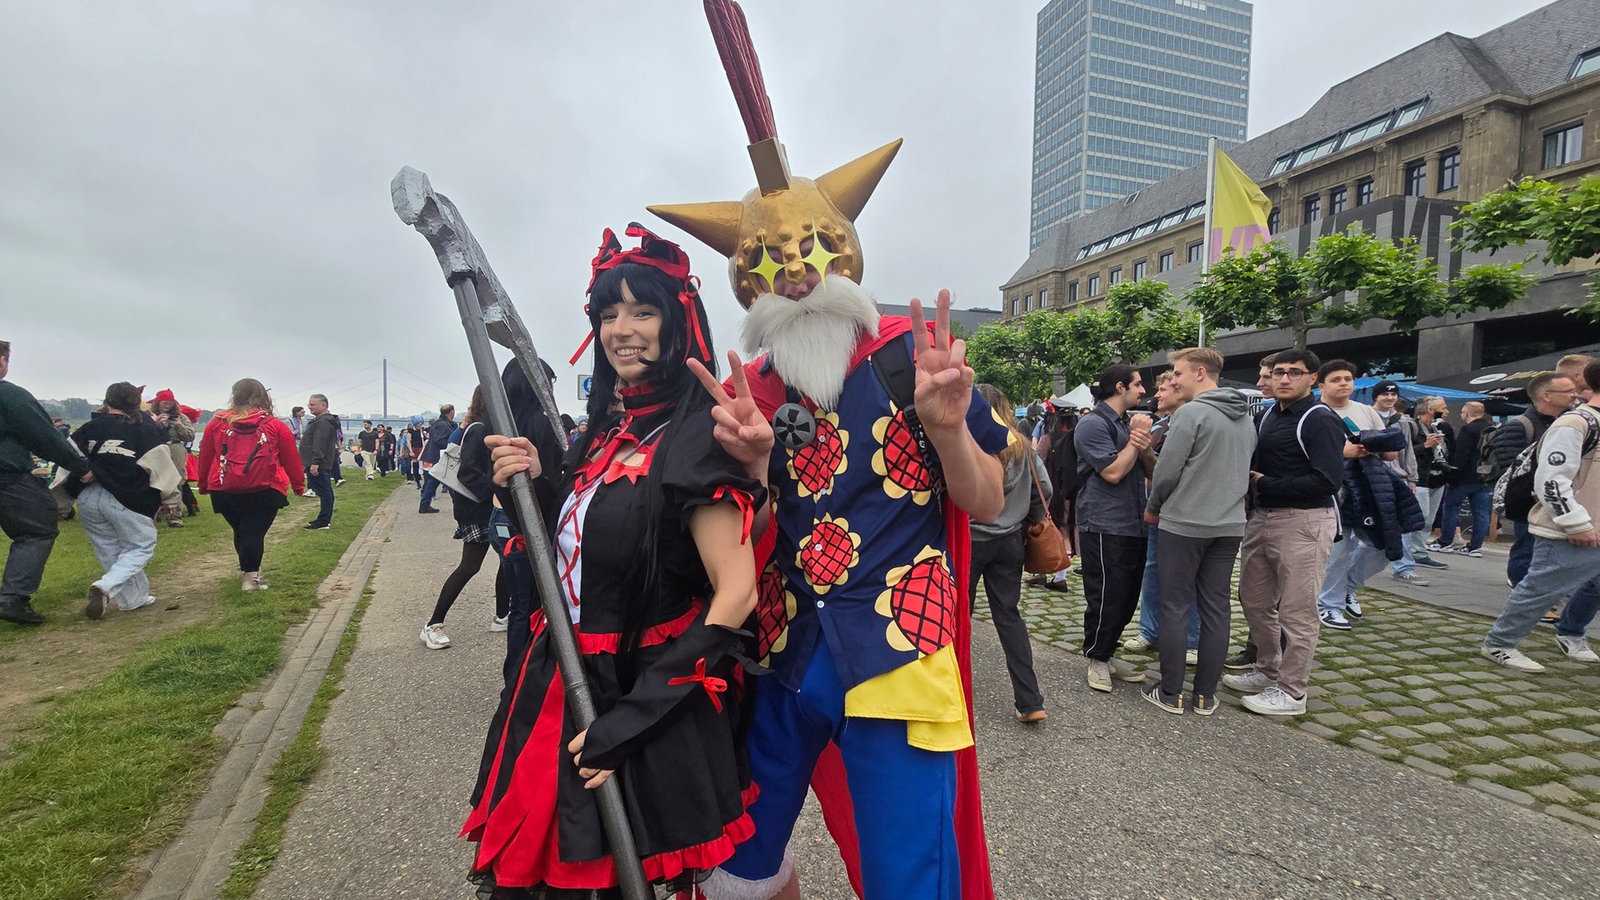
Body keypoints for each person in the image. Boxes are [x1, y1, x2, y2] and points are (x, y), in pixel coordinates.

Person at [465, 225, 762, 897]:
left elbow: (735, 593)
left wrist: (633, 722)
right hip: (557, 689)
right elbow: (582, 555)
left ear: (679, 320)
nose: (622, 329)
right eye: (608, 313)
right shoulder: (606, 431)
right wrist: (536, 485)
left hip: (640, 699)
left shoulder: (701, 438)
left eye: (642, 310)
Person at [1224, 349, 1345, 716]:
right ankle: (1267, 669)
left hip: (1303, 522)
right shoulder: (1267, 415)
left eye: (1294, 372)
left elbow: (1326, 481)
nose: (1284, 379)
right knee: (1255, 600)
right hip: (1263, 517)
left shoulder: (1319, 418)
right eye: (1278, 372)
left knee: (1297, 611)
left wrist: (1267, 484)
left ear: (1312, 378)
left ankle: (1293, 692)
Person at [1140, 348, 1254, 716]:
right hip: (1229, 524)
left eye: (1177, 373)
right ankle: (1206, 693)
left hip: (1185, 522)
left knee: (1175, 604)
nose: (1173, 380)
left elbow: (1167, 471)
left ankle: (1170, 691)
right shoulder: (1245, 416)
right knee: (1216, 607)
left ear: (1200, 373)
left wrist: (1155, 506)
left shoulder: (1192, 413)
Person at [1480, 358, 1600, 671]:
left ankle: (1571, 632)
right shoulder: (1576, 423)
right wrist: (1575, 523)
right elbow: (1551, 479)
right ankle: (1500, 643)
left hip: (1593, 525)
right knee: (1541, 589)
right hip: (1568, 528)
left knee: (1594, 586)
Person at [969, 384, 1050, 724]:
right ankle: (1030, 700)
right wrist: (1028, 514)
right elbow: (1044, 489)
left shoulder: (968, 445)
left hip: (970, 541)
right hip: (1010, 541)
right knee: (1009, 616)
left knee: (958, 617)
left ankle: (954, 694)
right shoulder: (1022, 448)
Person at [70, 382, 184, 618]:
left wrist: (62, 499)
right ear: (136, 403)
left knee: (108, 548)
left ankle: (133, 598)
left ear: (107, 401)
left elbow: (66, 455)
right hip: (127, 495)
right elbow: (162, 469)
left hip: (89, 496)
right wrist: (171, 501)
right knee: (141, 545)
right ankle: (106, 586)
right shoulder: (145, 430)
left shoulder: (89, 427)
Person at [1073, 364, 1153, 694]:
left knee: (1126, 596)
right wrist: (1135, 440)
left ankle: (1107, 652)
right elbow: (1113, 473)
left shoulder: (1122, 423)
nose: (1144, 391)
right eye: (1137, 385)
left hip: (1133, 522)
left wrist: (1143, 445)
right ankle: (1097, 656)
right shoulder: (1092, 424)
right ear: (1120, 387)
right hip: (1104, 522)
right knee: (1105, 594)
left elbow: (1152, 470)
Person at [0, 340, 91, 625]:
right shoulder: (9, 396)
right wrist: (79, 466)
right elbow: (43, 436)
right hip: (7, 476)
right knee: (36, 529)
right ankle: (13, 598)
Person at [1315, 361, 1408, 631]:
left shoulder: (1366, 412)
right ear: (1322, 385)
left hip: (1369, 487)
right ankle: (1328, 604)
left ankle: (1346, 588)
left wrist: (1376, 445)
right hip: (1335, 490)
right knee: (1339, 549)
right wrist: (1342, 452)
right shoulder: (1315, 412)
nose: (1344, 383)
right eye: (1336, 379)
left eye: (1348, 378)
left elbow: (1391, 454)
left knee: (1385, 546)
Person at [198, 378, 305, 591]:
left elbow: (206, 456)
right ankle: (251, 579)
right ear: (264, 396)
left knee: (241, 529)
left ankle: (246, 570)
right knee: (253, 531)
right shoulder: (274, 425)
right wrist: (298, 485)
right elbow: (291, 457)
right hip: (265, 487)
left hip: (223, 487)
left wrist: (203, 484)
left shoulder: (217, 423)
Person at [1124, 371, 1200, 659]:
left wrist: (1147, 453)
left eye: (1164, 389)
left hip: (1182, 510)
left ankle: (1192, 639)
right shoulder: (1161, 424)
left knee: (1187, 577)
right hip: (1155, 508)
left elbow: (1171, 470)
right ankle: (1150, 630)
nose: (1157, 395)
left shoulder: (1190, 422)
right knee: (1152, 570)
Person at [419, 388, 503, 649]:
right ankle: (433, 624)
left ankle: (502, 616)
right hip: (478, 509)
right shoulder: (479, 429)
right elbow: (469, 472)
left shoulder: (482, 427)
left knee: (507, 561)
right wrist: (494, 493)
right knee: (470, 566)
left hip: (484, 508)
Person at [1489, 370, 1583, 583]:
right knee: (1527, 549)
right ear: (1546, 395)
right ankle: (1521, 589)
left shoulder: (1567, 423)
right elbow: (1512, 470)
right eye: (1568, 391)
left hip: (1560, 499)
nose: (1574, 395)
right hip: (1530, 502)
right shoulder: (1519, 425)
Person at [1433, 400, 1496, 557]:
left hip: (1465, 477)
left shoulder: (1469, 429)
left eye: (1462, 412)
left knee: (1451, 507)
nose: (1461, 415)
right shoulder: (1491, 429)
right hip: (1484, 475)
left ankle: (1445, 542)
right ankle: (1474, 547)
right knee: (1481, 511)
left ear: (1467, 413)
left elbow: (1462, 455)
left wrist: (1453, 474)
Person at [1402, 395, 1452, 570]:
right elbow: (1404, 453)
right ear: (1430, 410)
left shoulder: (1438, 427)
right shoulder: (1412, 426)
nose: (1446, 412)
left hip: (1437, 479)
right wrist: (1426, 445)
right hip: (1420, 479)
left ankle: (1419, 551)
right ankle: (1411, 554)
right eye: (1443, 408)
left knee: (1429, 519)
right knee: (1419, 518)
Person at [149, 389, 199, 524]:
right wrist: (155, 424)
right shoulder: (150, 416)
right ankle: (154, 512)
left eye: (169, 403)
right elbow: (143, 434)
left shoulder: (181, 417)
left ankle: (174, 515)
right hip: (156, 448)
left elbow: (190, 435)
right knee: (154, 480)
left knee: (177, 481)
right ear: (158, 403)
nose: (167, 406)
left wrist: (178, 426)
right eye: (164, 403)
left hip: (175, 448)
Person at [298, 394, 339, 530]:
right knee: (321, 490)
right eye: (309, 404)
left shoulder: (323, 423)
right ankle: (322, 518)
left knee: (325, 491)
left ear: (324, 405)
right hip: (315, 462)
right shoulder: (320, 421)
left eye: (313, 405)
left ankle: (323, 521)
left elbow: (319, 443)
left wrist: (315, 462)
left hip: (318, 463)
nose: (310, 407)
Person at [418, 404, 457, 513]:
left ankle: (424, 505)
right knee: (449, 481)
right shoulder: (443, 425)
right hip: (439, 456)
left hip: (434, 456)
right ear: (451, 412)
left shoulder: (438, 423)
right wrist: (451, 446)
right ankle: (459, 505)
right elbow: (439, 440)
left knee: (434, 482)